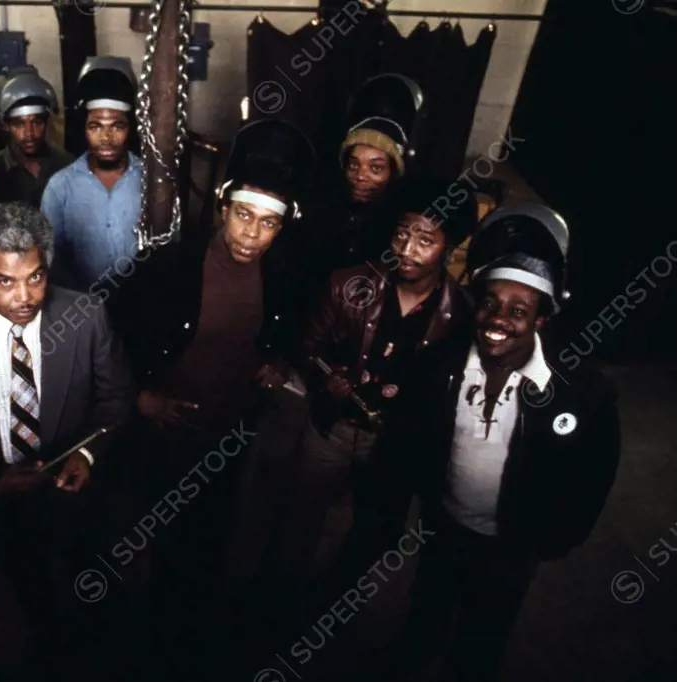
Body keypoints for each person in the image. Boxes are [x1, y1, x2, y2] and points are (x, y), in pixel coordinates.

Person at [384, 204, 620, 682]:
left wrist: (556, 537)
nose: (499, 319)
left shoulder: (580, 390)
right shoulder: (439, 366)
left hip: (512, 545)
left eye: (519, 311)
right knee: (428, 609)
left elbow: (595, 472)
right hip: (445, 524)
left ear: (540, 320)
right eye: (490, 304)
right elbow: (410, 438)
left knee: (483, 633)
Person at [121, 119, 316, 677]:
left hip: (228, 432)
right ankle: (158, 641)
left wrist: (273, 364)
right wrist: (142, 401)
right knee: (162, 541)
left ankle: (202, 639)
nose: (253, 236)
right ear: (223, 209)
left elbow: (274, 337)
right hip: (165, 433)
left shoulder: (283, 276)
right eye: (245, 216)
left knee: (214, 534)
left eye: (270, 224)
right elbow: (114, 344)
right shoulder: (167, 270)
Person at [0, 202, 135, 679]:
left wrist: (87, 453)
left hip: (70, 491)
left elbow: (117, 396)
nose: (25, 296)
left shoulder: (86, 315)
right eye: (6, 281)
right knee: (18, 589)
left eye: (36, 276)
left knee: (84, 590)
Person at [283, 175, 477, 583]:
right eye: (402, 234)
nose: (407, 250)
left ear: (450, 245)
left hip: (395, 446)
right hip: (329, 430)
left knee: (373, 533)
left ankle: (333, 603)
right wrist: (325, 378)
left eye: (426, 240)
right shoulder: (348, 284)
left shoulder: (461, 316)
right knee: (297, 521)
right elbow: (307, 346)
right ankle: (281, 594)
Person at [301, 73, 424, 292]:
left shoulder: (402, 225)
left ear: (393, 172)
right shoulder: (320, 206)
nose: (360, 176)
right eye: (354, 164)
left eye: (376, 168)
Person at [41, 57, 142, 292]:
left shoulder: (152, 181)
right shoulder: (60, 187)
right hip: (80, 310)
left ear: (130, 128)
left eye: (116, 127)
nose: (106, 138)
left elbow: (168, 250)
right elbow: (50, 257)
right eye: (95, 127)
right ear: (84, 129)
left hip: (140, 307)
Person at [0, 66, 75, 207]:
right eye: (19, 124)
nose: (29, 133)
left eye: (37, 122)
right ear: (6, 125)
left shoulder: (67, 164)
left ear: (47, 121)